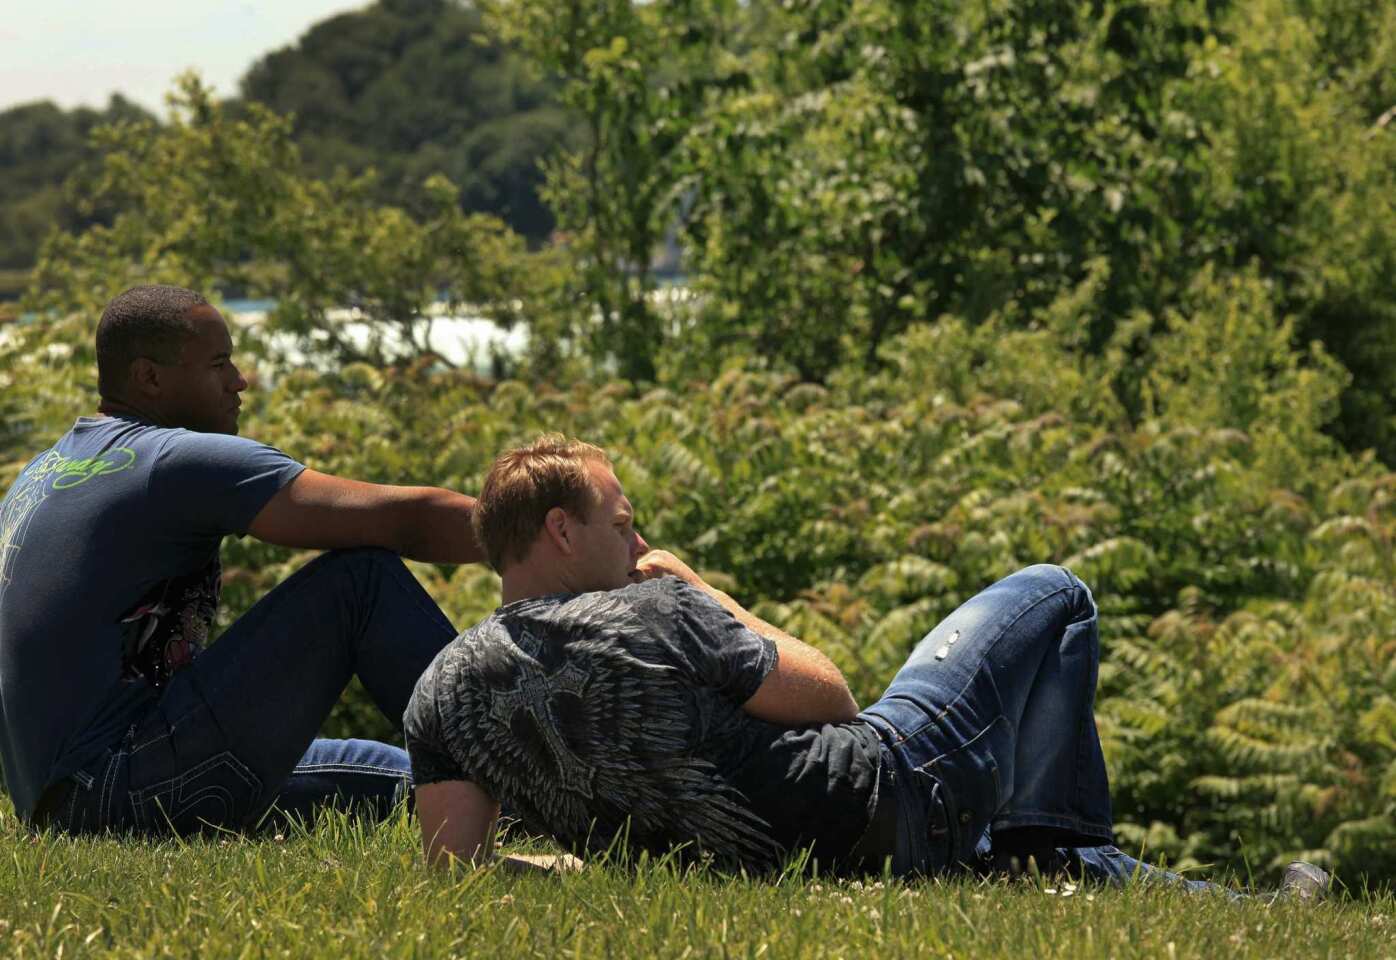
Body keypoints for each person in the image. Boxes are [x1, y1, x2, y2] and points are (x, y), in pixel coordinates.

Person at [402, 434, 1330, 897]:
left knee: (1024, 856)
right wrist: (705, 589)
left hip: (792, 858)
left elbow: (459, 864)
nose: (639, 536)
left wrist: (608, 850)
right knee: (1056, 595)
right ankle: (1056, 858)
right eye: (623, 521)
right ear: (562, 532)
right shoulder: (652, 604)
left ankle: (1089, 872)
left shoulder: (442, 691)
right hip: (894, 793)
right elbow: (831, 698)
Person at [0, 284, 485, 836]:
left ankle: (503, 797)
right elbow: (401, 519)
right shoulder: (170, 460)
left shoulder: (41, 471)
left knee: (388, 773)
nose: (240, 381)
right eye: (219, 363)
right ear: (150, 378)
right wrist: (535, 537)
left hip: (68, 802)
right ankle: (526, 771)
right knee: (361, 581)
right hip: (117, 788)